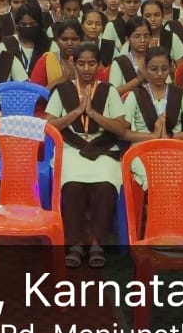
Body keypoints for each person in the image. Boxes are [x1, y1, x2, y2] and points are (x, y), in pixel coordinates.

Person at [46, 42, 129, 268]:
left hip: (103, 149)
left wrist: (92, 113)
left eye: (91, 63)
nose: (86, 69)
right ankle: (75, 243)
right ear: (74, 64)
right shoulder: (63, 90)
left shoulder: (108, 90)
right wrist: (76, 112)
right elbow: (49, 125)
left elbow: (120, 129)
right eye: (81, 63)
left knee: (105, 186)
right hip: (72, 148)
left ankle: (96, 242)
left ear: (99, 65)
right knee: (72, 185)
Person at [124, 45, 183, 190]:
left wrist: (170, 137)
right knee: (156, 187)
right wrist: (153, 137)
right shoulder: (135, 95)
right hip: (143, 149)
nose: (159, 74)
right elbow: (123, 133)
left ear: (171, 68)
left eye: (164, 69)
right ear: (145, 69)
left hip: (174, 148)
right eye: (153, 69)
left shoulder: (180, 94)